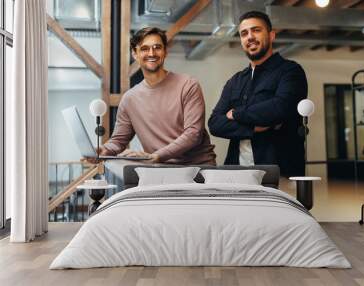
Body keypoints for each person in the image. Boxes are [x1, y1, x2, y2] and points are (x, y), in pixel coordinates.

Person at [208, 11, 307, 176]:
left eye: (256, 30)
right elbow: (215, 123)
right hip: (236, 172)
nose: (250, 37)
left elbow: (280, 109)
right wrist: (255, 127)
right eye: (244, 33)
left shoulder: (290, 71)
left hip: (280, 172)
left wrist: (236, 113)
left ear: (271, 35)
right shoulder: (235, 81)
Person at [99, 27, 216, 165]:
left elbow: (193, 134)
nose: (151, 53)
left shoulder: (188, 85)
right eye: (144, 48)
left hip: (198, 168)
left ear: (165, 51)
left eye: (157, 47)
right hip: (160, 167)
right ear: (134, 54)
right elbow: (118, 140)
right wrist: (104, 150)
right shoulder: (129, 99)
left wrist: (156, 156)